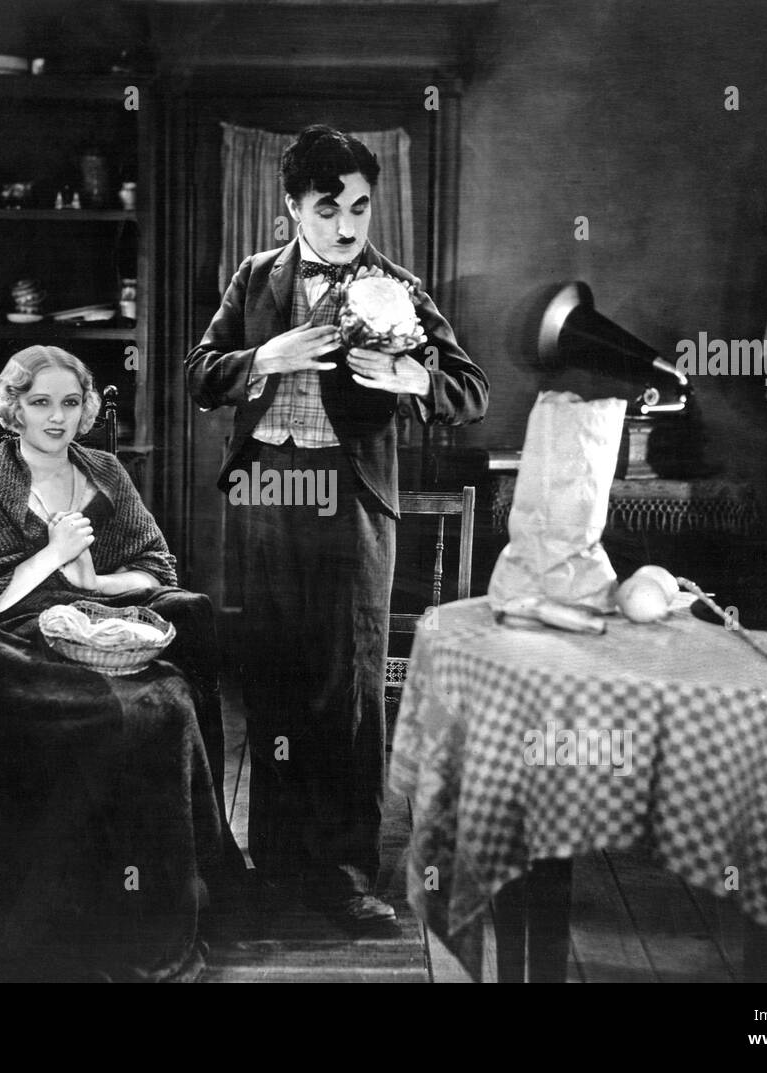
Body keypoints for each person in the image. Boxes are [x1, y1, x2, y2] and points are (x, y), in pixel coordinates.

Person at [186, 126, 489, 932]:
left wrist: (413, 373)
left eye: (360, 206)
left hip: (350, 498)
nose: (349, 225)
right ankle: (281, 865)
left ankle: (350, 873)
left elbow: (471, 387)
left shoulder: (398, 285)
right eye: (330, 208)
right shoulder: (254, 280)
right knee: (274, 675)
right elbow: (197, 374)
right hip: (264, 492)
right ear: (291, 207)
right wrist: (267, 356)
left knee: (349, 684)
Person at [0, 345, 237, 981]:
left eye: (70, 403)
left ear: (86, 412)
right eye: (40, 402)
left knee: (165, 704)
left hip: (105, 631)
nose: (56, 417)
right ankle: (57, 904)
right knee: (90, 715)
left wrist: (99, 585)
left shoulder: (107, 472)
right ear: (13, 409)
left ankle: (154, 896)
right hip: (13, 639)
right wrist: (51, 556)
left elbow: (156, 569)